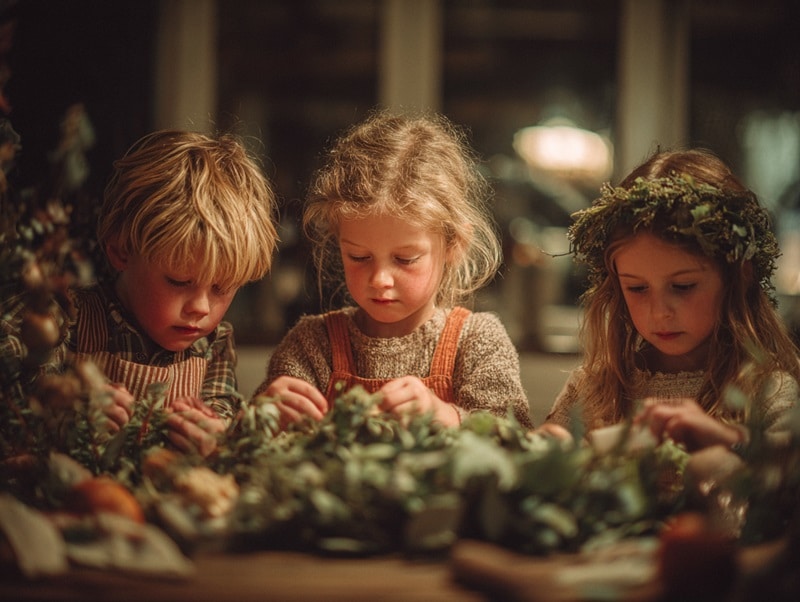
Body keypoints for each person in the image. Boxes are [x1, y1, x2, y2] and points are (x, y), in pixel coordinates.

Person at [256, 110, 533, 430]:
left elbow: (518, 441)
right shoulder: (311, 345)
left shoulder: (476, 341)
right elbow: (253, 447)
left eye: (404, 260)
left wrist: (448, 417)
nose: (380, 280)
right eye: (359, 257)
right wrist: (266, 414)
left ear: (454, 245)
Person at [14, 130, 279, 457]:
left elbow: (222, 417)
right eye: (179, 282)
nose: (200, 307)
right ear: (121, 251)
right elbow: (20, 410)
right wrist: (70, 414)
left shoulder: (215, 346)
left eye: (221, 288)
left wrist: (216, 437)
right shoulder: (69, 318)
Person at [543, 148, 800, 451]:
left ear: (739, 277)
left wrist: (728, 442)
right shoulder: (592, 390)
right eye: (637, 288)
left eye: (683, 286)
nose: (659, 312)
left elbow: (786, 474)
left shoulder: (767, 392)